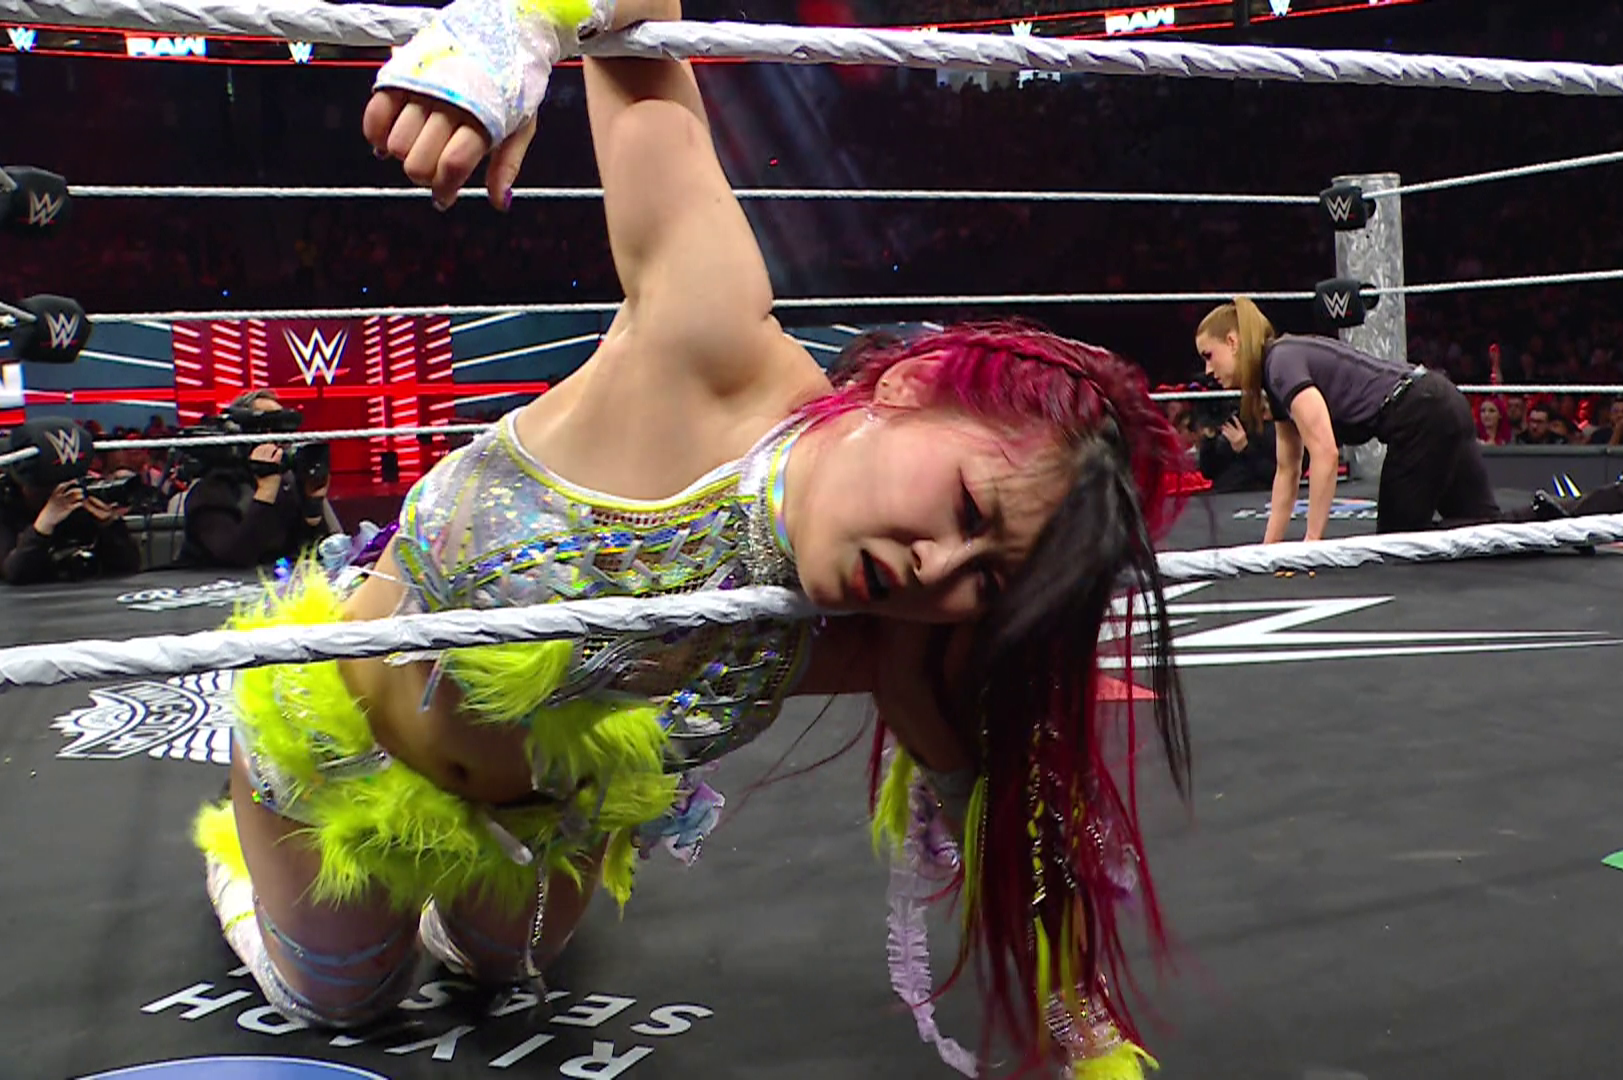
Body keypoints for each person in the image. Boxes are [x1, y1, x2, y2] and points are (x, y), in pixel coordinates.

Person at [190, 2, 1190, 1077]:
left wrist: (1085, 1035)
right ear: (910, 387)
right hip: (347, 747)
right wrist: (512, 36)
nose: (937, 567)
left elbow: (1002, 819)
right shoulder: (710, 345)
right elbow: (644, 14)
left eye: (986, 583)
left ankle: (457, 919)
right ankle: (240, 867)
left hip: (545, 822)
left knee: (496, 972)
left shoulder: (887, 627)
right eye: (966, 509)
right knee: (342, 1003)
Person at [1195, 297, 1506, 537]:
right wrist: (1269, 549)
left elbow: (1325, 453)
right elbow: (1287, 469)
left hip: (1422, 413)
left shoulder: (1280, 365)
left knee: (1398, 541)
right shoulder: (1277, 369)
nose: (1208, 370)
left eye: (1209, 356)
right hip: (1438, 400)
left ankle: (1536, 516)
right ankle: (1536, 518)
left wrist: (1312, 542)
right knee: (1488, 530)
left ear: (1233, 342)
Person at [177, 391, 343, 570]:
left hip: (274, 581)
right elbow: (234, 557)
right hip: (213, 582)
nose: (279, 442)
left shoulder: (288, 485)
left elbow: (314, 554)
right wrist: (266, 492)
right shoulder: (213, 489)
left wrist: (313, 505)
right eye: (268, 430)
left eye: (283, 432)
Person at [0, 417, 142, 585]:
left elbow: (130, 566)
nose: (59, 494)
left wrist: (111, 526)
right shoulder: (6, 508)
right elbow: (14, 574)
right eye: (49, 487)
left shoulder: (78, 505)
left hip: (84, 596)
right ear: (22, 485)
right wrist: (44, 525)